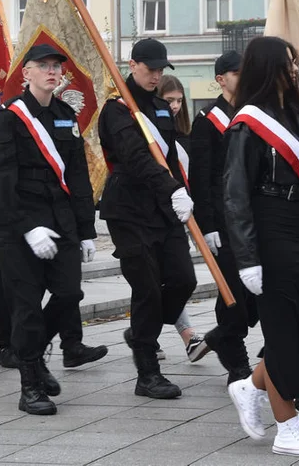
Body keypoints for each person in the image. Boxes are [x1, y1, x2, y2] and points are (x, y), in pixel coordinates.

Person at [223, 36, 299, 457]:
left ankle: (251, 384)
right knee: (283, 332)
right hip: (269, 230)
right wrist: (247, 258)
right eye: (289, 64)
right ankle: (287, 428)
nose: (296, 71)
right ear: (269, 67)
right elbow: (235, 194)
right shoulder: (248, 122)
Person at [0, 44, 108, 415]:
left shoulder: (64, 114)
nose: (52, 72)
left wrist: (87, 229)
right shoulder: (9, 117)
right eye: (44, 66)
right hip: (20, 226)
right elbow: (3, 180)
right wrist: (28, 227)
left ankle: (35, 353)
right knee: (25, 308)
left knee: (69, 294)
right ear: (26, 74)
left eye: (57, 67)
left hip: (61, 222)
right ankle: (30, 385)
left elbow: (77, 176)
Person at [98, 38, 196, 398]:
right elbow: (137, 158)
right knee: (148, 290)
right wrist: (171, 188)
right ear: (133, 64)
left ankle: (144, 330)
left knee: (183, 280)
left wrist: (183, 193)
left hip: (163, 208)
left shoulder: (158, 107)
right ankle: (147, 374)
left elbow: (168, 158)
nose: (156, 75)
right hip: (128, 210)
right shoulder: (116, 110)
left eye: (160, 70)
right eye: (150, 68)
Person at [190, 51, 257, 383]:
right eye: (236, 73)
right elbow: (201, 178)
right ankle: (237, 365)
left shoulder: (253, 115)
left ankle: (217, 339)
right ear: (221, 79)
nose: (243, 78)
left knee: (252, 294)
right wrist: (208, 226)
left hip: (252, 219)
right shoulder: (207, 119)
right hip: (223, 221)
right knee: (233, 293)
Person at [158, 73, 208, 362]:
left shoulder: (185, 136)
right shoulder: (152, 134)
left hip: (182, 214)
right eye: (169, 100)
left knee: (180, 279)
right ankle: (184, 336)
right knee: (157, 282)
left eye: (178, 100)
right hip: (154, 216)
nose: (175, 106)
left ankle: (146, 331)